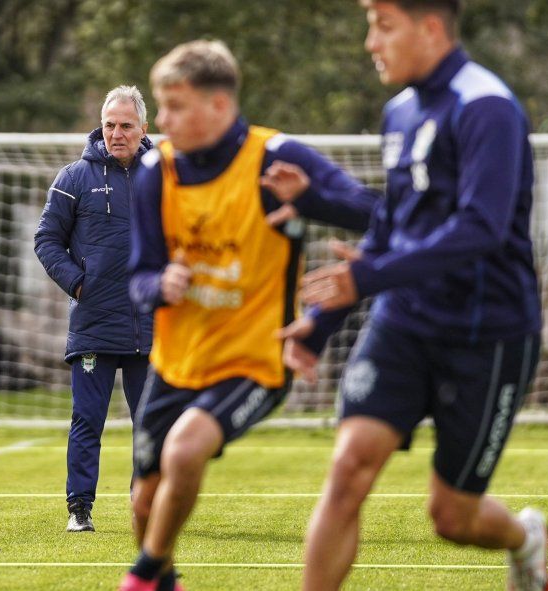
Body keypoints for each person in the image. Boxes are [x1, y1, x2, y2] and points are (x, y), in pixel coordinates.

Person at [274, 2, 548, 590]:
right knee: (347, 469)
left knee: (451, 517)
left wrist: (368, 279)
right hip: (403, 325)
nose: (371, 42)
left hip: (488, 334)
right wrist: (321, 322)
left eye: (384, 25)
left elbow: (482, 228)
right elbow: (387, 229)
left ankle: (525, 541)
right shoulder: (398, 111)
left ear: (430, 28)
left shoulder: (487, 107)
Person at [118, 40, 380, 591]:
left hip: (258, 359)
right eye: (161, 107)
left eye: (175, 106)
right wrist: (159, 283)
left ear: (218, 105)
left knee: (186, 448)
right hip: (177, 361)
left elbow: (375, 214)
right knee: (144, 502)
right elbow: (138, 278)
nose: (162, 120)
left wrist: (313, 202)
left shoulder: (276, 158)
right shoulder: (153, 171)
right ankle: (160, 577)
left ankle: (139, 579)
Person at [34, 85, 153, 532]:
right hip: (94, 322)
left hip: (150, 324)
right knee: (87, 421)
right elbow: (46, 241)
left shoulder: (166, 177)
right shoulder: (73, 178)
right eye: (109, 125)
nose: (116, 133)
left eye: (125, 125)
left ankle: (148, 504)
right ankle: (79, 509)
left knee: (152, 423)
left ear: (145, 127)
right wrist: (78, 284)